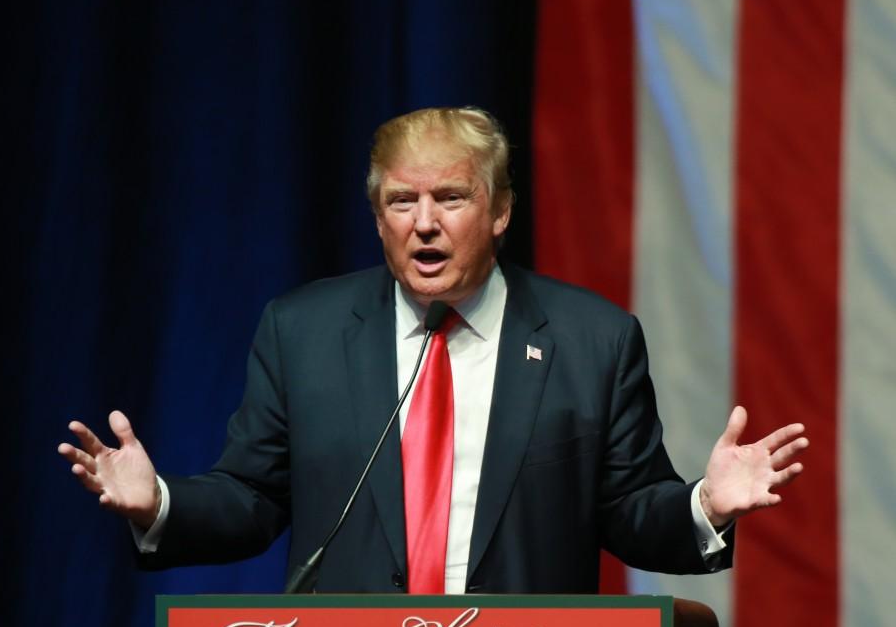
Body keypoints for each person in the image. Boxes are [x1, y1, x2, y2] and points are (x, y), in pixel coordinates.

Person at [58, 107, 807, 594]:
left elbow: (628, 513)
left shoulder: (592, 341)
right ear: (377, 217)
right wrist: (158, 503)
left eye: (449, 198)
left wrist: (704, 505)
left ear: (501, 210)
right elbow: (252, 500)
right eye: (400, 202)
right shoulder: (303, 331)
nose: (423, 224)